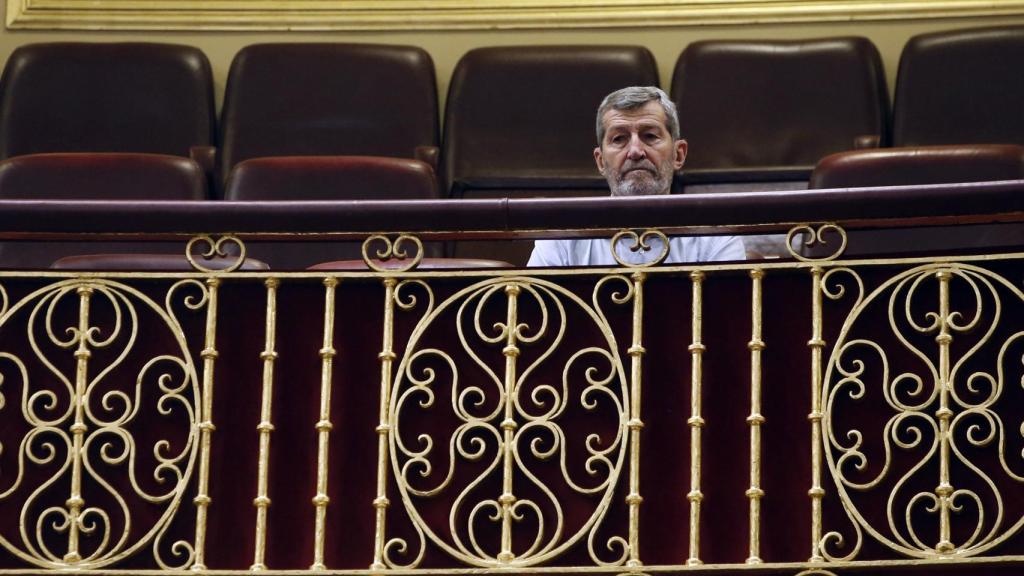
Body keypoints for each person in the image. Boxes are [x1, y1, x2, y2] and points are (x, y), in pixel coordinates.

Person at [528, 86, 745, 266]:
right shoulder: (561, 239)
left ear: (678, 154)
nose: (635, 151)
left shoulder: (717, 237)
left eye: (649, 136)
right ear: (600, 161)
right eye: (619, 139)